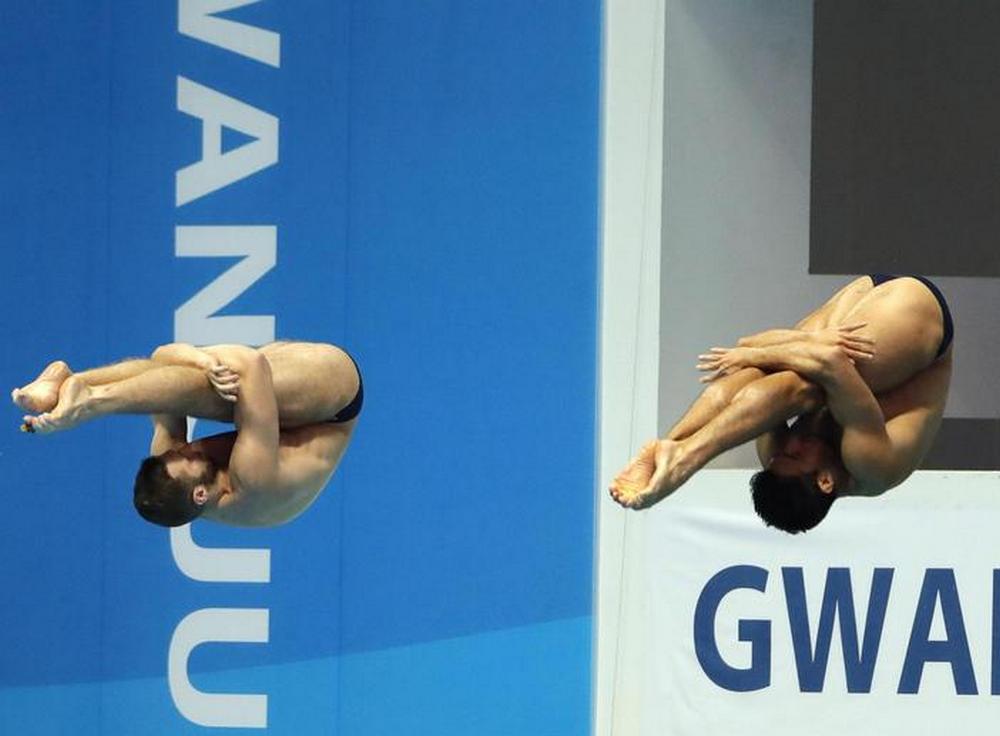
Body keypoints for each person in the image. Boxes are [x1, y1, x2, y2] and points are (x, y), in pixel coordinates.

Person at [609, 274, 954, 533]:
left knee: (776, 378)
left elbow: (748, 373)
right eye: (795, 455)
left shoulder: (774, 455)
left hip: (849, 322)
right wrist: (761, 350)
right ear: (825, 482)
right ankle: (686, 460)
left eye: (781, 453)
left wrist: (758, 352)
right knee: (804, 387)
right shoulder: (871, 465)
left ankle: (671, 444)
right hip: (915, 312)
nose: (790, 442)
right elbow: (829, 360)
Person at [12, 341, 362, 528]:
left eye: (178, 450)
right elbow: (251, 364)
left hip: (282, 388)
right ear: (200, 493)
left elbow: (162, 358)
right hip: (335, 399)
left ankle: (71, 384)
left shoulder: (175, 472)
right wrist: (206, 363)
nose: (189, 447)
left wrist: (198, 359)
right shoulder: (251, 483)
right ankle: (90, 400)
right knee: (222, 387)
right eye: (189, 457)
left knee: (189, 382)